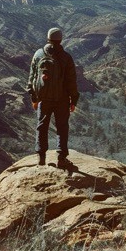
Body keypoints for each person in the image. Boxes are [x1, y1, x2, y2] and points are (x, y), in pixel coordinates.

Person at [27, 27, 79, 167]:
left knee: (42, 126)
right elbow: (71, 81)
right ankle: (61, 158)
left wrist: (34, 97)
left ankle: (41, 157)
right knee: (62, 127)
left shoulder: (38, 54)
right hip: (61, 99)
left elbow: (32, 77)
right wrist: (73, 100)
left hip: (43, 98)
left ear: (47, 38)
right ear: (61, 39)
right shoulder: (66, 57)